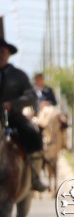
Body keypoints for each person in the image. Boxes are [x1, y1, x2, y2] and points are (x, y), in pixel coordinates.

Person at [0, 37, 47, 191]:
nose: (1, 54)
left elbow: (30, 96)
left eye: (3, 51)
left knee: (33, 135)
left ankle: (34, 176)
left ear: (8, 54)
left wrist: (12, 104)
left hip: (13, 117)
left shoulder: (18, 75)